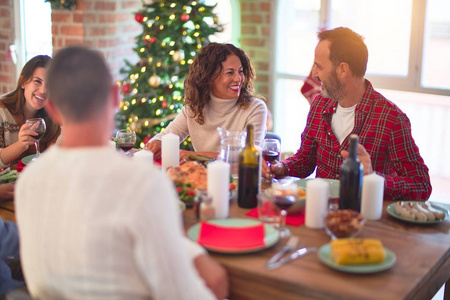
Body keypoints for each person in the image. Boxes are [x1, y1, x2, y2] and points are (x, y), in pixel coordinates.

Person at [16, 46, 228, 299]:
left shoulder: (29, 180)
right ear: (115, 97)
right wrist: (199, 259)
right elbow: (185, 294)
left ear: (51, 108)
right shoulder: (143, 184)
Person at [265, 27, 431, 201]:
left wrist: (373, 177)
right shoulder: (319, 105)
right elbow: (306, 159)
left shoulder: (391, 118)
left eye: (319, 66)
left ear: (342, 70)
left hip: (362, 219)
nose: (314, 74)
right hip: (319, 211)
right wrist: (281, 167)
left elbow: (421, 185)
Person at [145, 42, 268, 161]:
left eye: (240, 71)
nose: (238, 78)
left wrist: (193, 155)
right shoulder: (195, 108)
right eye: (230, 72)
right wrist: (157, 142)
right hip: (202, 178)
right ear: (209, 77)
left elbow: (248, 155)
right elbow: (167, 135)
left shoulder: (255, 108)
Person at [0, 55, 61, 168]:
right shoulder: (2, 112)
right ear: (23, 82)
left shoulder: (51, 117)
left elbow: (53, 159)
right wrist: (20, 145)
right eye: (37, 81)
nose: (43, 90)